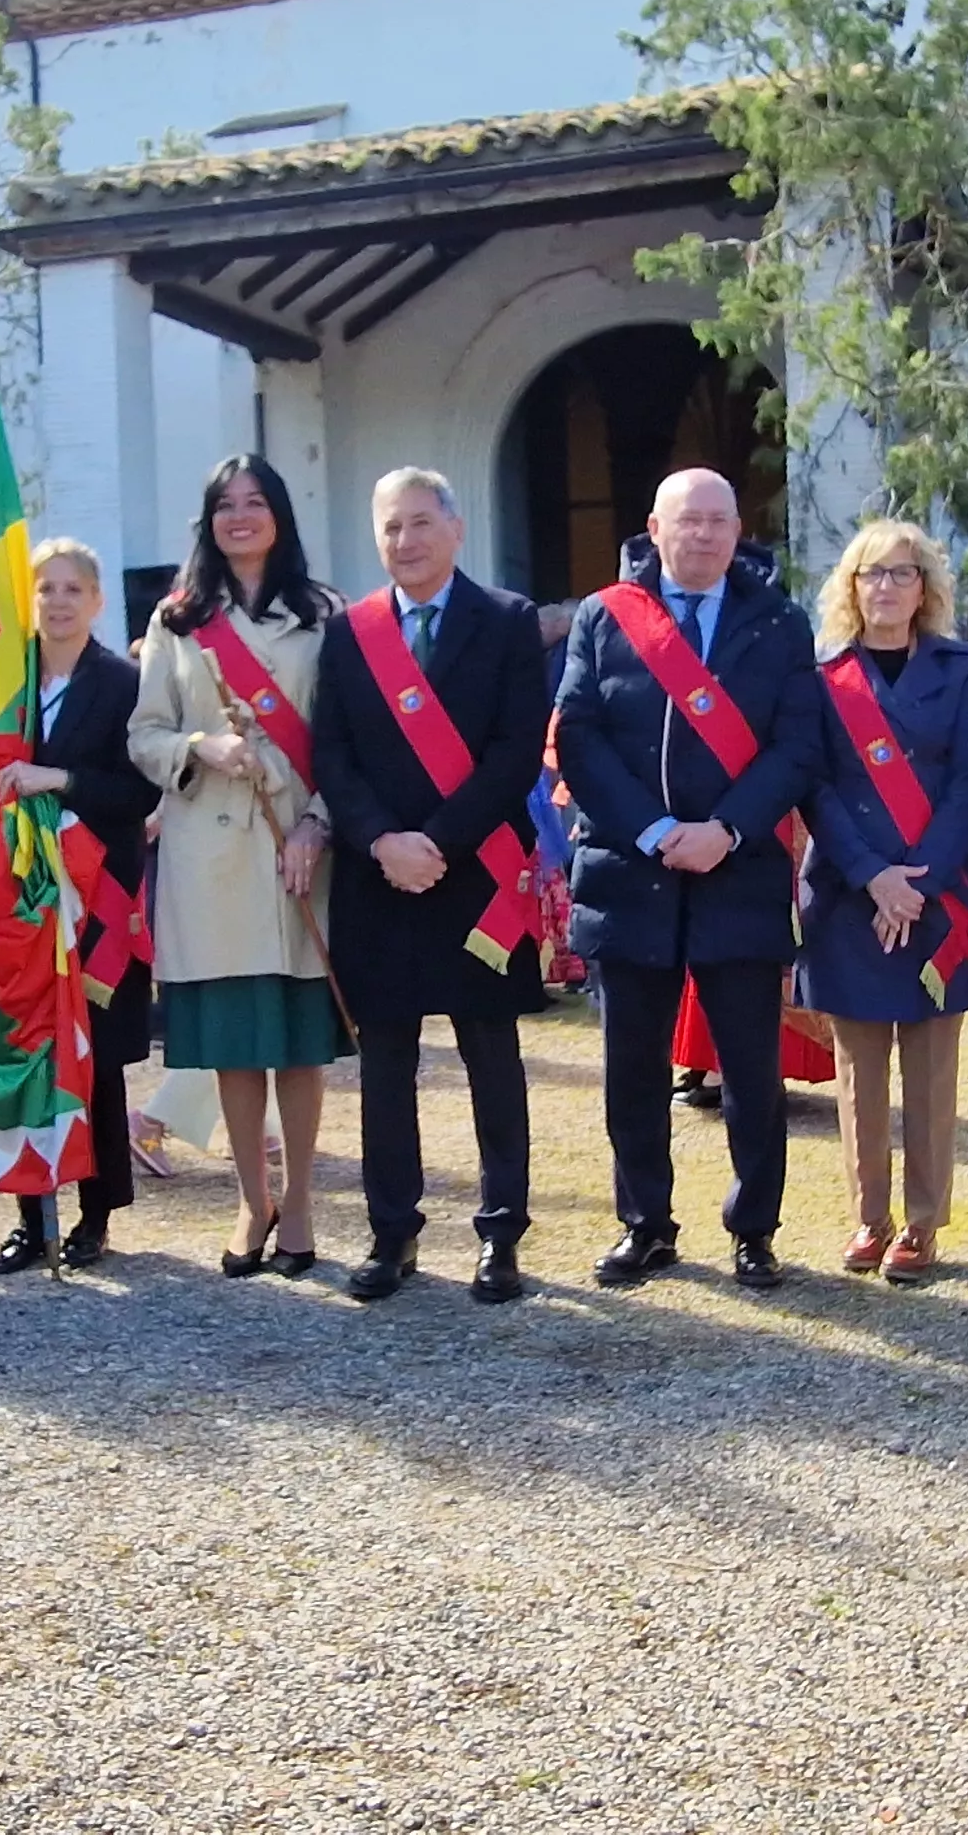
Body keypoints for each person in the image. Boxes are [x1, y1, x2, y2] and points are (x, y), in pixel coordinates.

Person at [556, 468, 823, 1290]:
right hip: (630, 872)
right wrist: (655, 829)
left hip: (737, 871)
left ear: (738, 531)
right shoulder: (605, 616)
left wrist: (727, 830)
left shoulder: (778, 621)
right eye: (687, 520)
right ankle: (645, 1225)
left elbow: (797, 746)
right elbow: (579, 737)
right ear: (654, 528)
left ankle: (755, 1229)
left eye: (717, 521)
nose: (703, 534)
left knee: (751, 1073)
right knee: (633, 1069)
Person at [313, 467, 549, 1303]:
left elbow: (516, 752)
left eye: (420, 523)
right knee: (386, 1064)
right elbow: (331, 754)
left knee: (492, 1058)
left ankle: (501, 1234)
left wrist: (436, 843)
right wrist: (382, 840)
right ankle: (392, 1233)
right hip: (378, 876)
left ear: (455, 530)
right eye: (390, 527)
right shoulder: (351, 633)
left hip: (474, 871)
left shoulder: (509, 621)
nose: (405, 541)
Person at [131, 453, 345, 1277]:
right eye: (225, 504)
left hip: (297, 847)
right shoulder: (178, 619)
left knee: (298, 1040)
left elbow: (346, 738)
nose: (240, 516)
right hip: (212, 853)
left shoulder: (322, 614)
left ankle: (300, 1204)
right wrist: (200, 747)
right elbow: (144, 734)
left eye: (255, 502)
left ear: (279, 514)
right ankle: (252, 1200)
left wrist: (318, 824)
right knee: (236, 1043)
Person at [793, 520, 968, 1285]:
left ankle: (922, 1224)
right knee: (860, 1071)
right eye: (871, 573)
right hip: (852, 895)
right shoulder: (823, 675)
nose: (885, 586)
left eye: (901, 573)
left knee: (932, 1072)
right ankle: (869, 1218)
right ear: (850, 586)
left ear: (924, 587)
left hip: (937, 898)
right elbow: (815, 785)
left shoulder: (959, 669)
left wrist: (918, 882)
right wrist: (874, 876)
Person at [0, 538, 156, 1275]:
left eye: (71, 589)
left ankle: (95, 1214)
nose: (57, 602)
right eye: (44, 588)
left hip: (96, 895)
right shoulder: (4, 681)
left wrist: (58, 780)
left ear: (96, 600)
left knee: (96, 1059)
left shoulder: (124, 683)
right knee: (27, 1050)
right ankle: (32, 1217)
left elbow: (140, 791)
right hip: (18, 896)